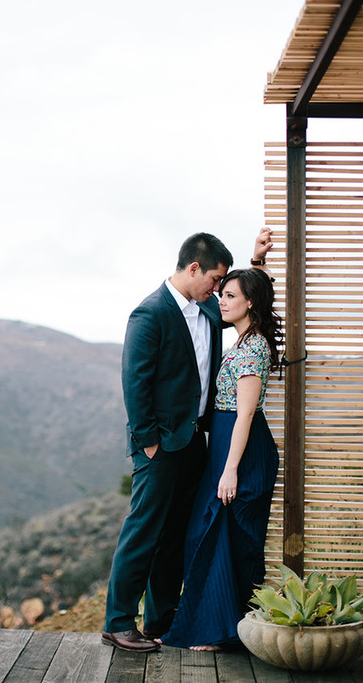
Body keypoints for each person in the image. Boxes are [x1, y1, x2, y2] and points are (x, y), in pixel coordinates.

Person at [102, 228, 272, 653]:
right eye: (214, 280)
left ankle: (161, 620)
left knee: (177, 537)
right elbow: (134, 383)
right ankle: (118, 622)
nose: (218, 291)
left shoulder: (210, 310)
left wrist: (256, 263)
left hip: (199, 445)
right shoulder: (150, 313)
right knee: (144, 532)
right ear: (193, 268)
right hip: (159, 447)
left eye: (222, 286)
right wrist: (149, 444)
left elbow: (248, 301)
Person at [158, 260, 282, 651]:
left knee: (234, 539)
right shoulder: (245, 340)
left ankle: (226, 633)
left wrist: (229, 471)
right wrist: (257, 260)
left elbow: (245, 413)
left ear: (249, 304)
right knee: (210, 534)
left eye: (229, 296)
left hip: (242, 452)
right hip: (227, 447)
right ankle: (217, 628)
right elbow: (250, 286)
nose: (220, 301)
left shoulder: (254, 346)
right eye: (221, 293)